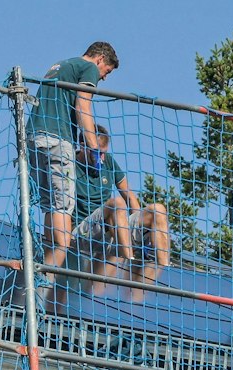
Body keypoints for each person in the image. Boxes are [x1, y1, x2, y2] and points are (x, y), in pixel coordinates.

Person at [26, 42, 118, 297]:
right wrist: (92, 148)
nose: (103, 77)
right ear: (100, 59)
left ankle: (46, 264)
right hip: (58, 140)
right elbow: (83, 106)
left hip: (34, 139)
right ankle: (57, 269)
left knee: (48, 203)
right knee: (63, 206)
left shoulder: (59, 65)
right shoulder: (87, 68)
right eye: (106, 72)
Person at [71, 124, 172, 300]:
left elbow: (131, 198)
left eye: (103, 153)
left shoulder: (108, 162)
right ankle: (128, 262)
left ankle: (165, 269)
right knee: (117, 204)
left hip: (111, 232)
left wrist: (139, 228)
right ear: (82, 146)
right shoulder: (69, 163)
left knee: (158, 210)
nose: (101, 158)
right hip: (82, 233)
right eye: (97, 153)